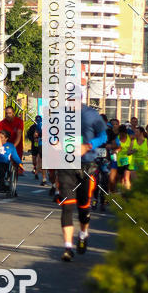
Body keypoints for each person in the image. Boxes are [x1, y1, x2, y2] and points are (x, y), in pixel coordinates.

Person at [57, 103, 107, 262]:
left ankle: (83, 234)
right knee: (67, 206)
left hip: (86, 166)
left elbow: (103, 136)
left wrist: (88, 146)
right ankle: (67, 247)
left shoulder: (91, 114)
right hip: (66, 165)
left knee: (83, 208)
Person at [0, 129, 23, 194]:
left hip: (4, 163)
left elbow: (15, 156)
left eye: (1, 137)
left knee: (1, 169)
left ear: (6, 138)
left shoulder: (10, 146)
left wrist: (20, 163)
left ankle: (3, 187)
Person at [27, 115, 45, 182]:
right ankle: (35, 167)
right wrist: (33, 139)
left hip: (41, 145)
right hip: (34, 145)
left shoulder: (44, 126)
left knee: (39, 160)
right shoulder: (32, 127)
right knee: (34, 160)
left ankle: (38, 174)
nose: (38, 121)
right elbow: (29, 134)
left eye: (39, 120)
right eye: (37, 120)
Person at [115, 124, 133, 189]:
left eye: (123, 134)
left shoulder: (130, 137)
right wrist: (116, 150)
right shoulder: (117, 138)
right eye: (121, 134)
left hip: (128, 160)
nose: (122, 135)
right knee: (120, 179)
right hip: (120, 160)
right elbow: (117, 147)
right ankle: (122, 191)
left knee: (126, 178)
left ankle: (128, 192)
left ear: (126, 133)